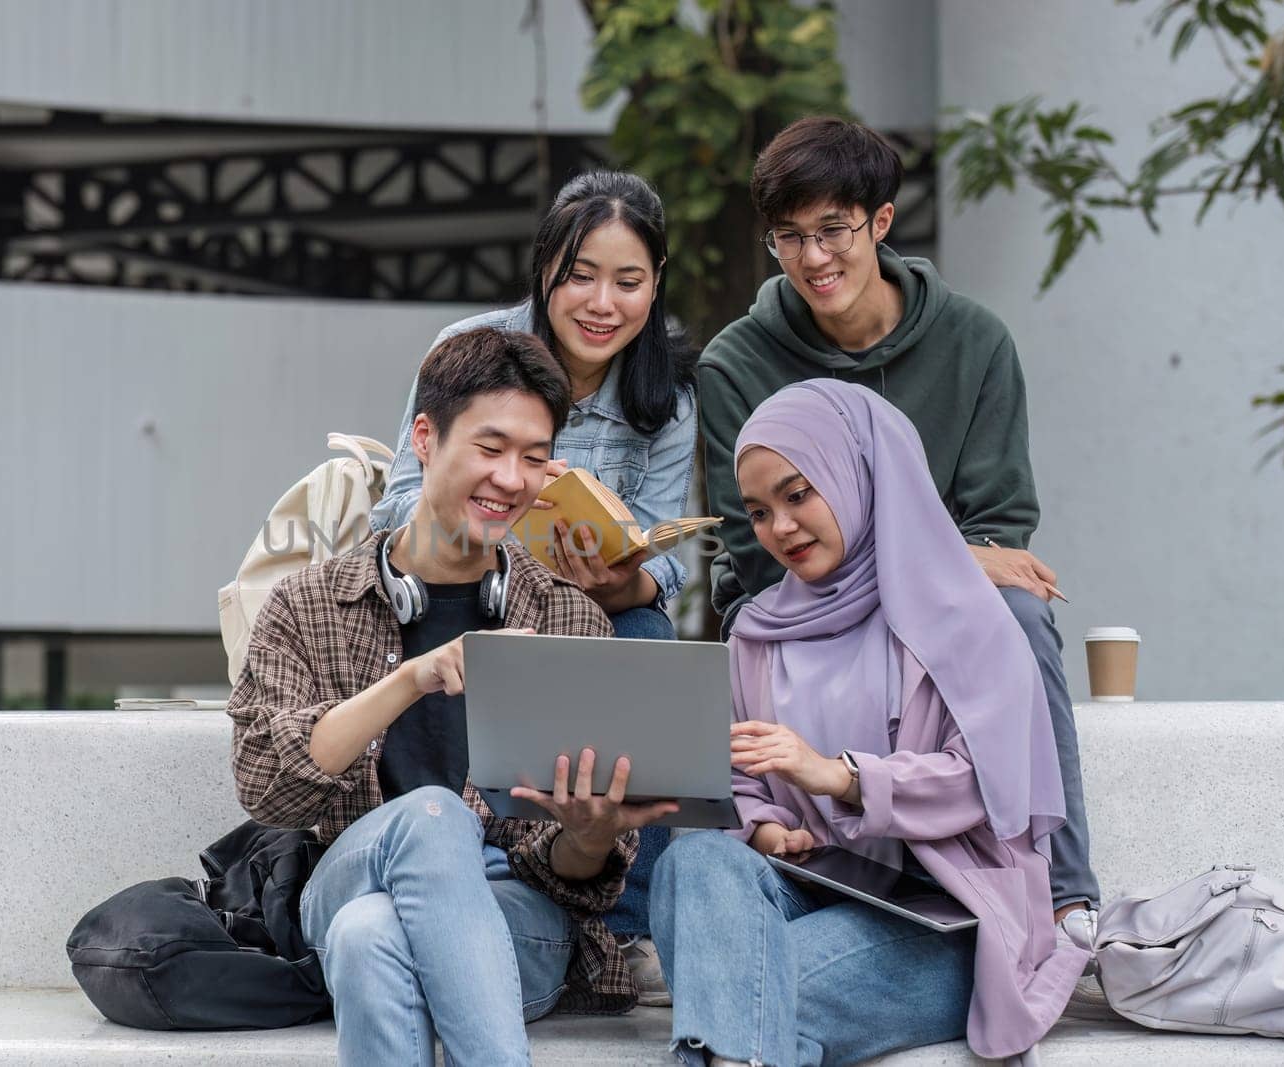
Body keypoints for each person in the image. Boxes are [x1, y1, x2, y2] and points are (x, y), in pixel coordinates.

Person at [227, 327, 676, 1066]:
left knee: (371, 936)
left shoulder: (567, 616)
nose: (511, 477)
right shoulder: (306, 603)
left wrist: (590, 835)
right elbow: (266, 790)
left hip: (515, 916)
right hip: (347, 875)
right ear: (426, 438)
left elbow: (580, 875)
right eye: (491, 448)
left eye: (534, 458)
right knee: (432, 818)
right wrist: (413, 676)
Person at [697, 117, 1100, 933]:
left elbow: (1001, 530)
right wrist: (946, 557)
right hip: (791, 599)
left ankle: (1063, 892)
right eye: (789, 237)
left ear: (881, 222)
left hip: (939, 615)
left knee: (1022, 615)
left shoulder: (974, 342)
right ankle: (799, 855)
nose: (814, 259)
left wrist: (944, 568)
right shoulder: (734, 364)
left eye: (834, 230)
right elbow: (759, 550)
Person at [651, 380, 1088, 1066]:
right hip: (805, 893)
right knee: (696, 859)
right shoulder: (759, 635)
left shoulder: (968, 619)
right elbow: (740, 774)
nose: (781, 528)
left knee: (737, 988)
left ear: (859, 475)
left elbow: (985, 783)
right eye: (759, 511)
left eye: (799, 494)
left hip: (944, 924)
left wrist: (840, 776)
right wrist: (765, 825)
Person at [369, 169, 697, 996]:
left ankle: (625, 927)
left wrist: (624, 582)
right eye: (580, 274)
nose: (602, 302)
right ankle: (465, 861)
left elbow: (669, 558)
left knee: (651, 643)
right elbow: (398, 504)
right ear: (545, 265)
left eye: (629, 281)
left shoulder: (668, 393)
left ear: (656, 283)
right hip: (469, 591)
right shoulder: (473, 351)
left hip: (590, 613)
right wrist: (502, 535)